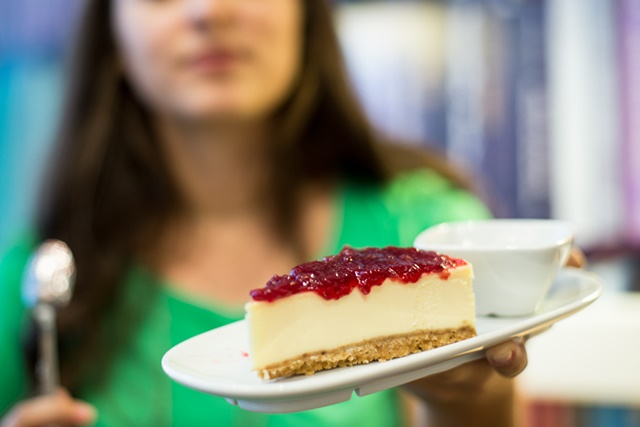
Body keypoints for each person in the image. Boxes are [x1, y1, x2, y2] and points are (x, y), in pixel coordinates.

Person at [0, 0, 529, 426]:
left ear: (307, 16)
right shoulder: (34, 284)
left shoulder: (432, 230)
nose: (208, 11)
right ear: (113, 34)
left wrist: (469, 402)